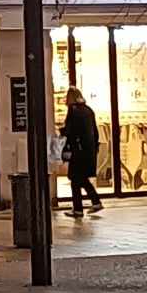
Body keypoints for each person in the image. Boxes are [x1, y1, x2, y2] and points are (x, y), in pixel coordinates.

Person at [61, 88, 102, 217]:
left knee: (75, 179)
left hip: (78, 151)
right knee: (81, 178)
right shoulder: (88, 110)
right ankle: (95, 202)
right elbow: (95, 131)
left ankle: (78, 209)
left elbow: (70, 131)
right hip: (88, 150)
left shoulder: (73, 111)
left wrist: (62, 133)